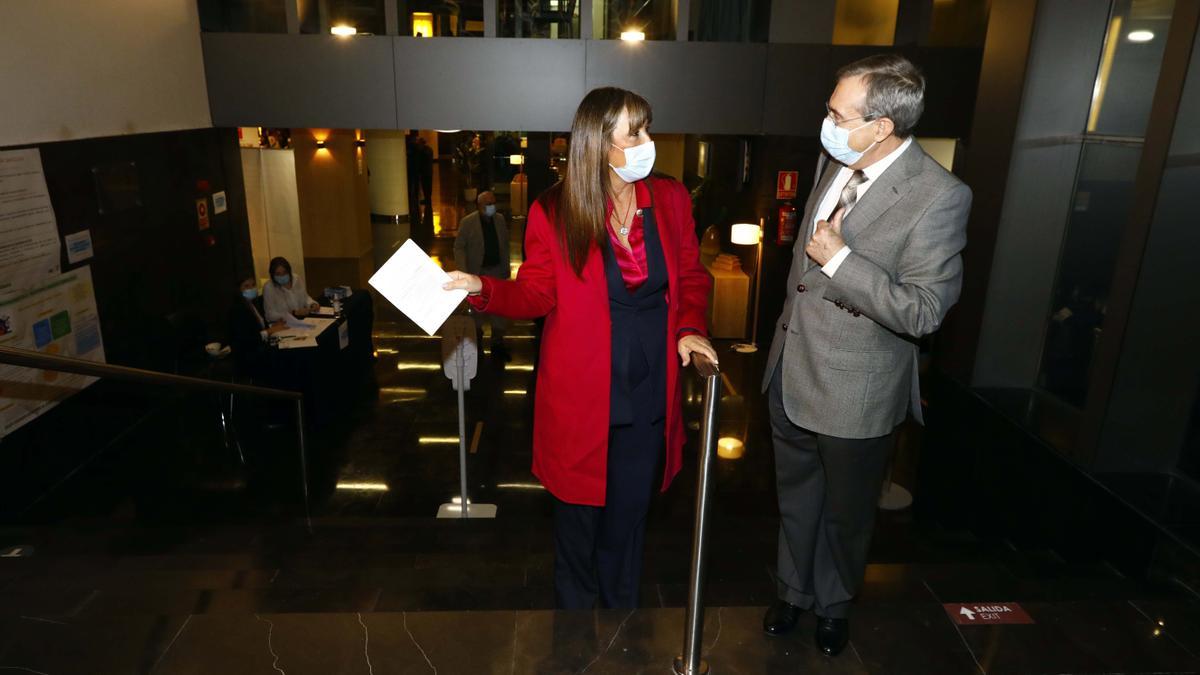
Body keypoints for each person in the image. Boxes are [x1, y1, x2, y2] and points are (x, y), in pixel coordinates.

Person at [443, 87, 717, 610]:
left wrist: (690, 326)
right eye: (634, 133)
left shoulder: (671, 198)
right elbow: (538, 292)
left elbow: (690, 274)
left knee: (629, 519)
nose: (647, 142)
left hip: (648, 388)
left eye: (646, 128)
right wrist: (484, 289)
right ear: (599, 142)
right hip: (582, 390)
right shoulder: (556, 209)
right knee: (577, 521)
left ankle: (622, 623)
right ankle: (572, 634)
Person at [761, 54, 971, 657]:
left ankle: (833, 604)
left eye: (837, 112)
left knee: (846, 514)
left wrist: (841, 262)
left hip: (857, 387)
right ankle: (794, 591)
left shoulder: (939, 196)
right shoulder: (834, 161)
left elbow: (926, 310)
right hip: (789, 367)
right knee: (796, 499)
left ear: (880, 126)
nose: (825, 121)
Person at [453, 191, 512, 359]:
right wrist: (463, 271)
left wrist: (505, 268)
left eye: (493, 202)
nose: (491, 207)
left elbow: (505, 246)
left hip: (496, 271)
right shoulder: (468, 222)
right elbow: (459, 247)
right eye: (487, 204)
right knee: (477, 308)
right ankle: (476, 342)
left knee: (498, 308)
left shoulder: (499, 220)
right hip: (477, 271)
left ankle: (497, 343)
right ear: (479, 206)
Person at [228, 277, 286, 380]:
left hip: (259, 348)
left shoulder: (253, 304)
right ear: (238, 289)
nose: (251, 288)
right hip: (249, 355)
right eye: (246, 286)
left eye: (253, 285)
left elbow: (261, 327)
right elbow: (247, 339)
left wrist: (274, 326)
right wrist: (269, 331)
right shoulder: (238, 310)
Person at [262, 257, 319, 323]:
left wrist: (312, 304)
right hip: (282, 324)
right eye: (278, 274)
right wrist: (293, 313)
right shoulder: (269, 287)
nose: (282, 276)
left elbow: (305, 298)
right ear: (272, 275)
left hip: (301, 320)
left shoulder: (296, 279)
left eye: (284, 272)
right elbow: (270, 315)